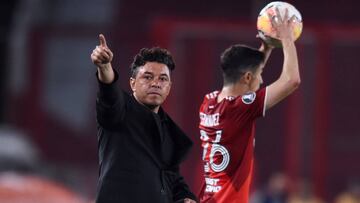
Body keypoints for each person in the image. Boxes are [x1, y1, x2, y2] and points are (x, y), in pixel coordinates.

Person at [198, 8, 301, 203]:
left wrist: (267, 47)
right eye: (259, 75)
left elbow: (247, 80)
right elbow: (292, 80)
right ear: (247, 77)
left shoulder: (208, 102)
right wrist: (287, 38)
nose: (261, 80)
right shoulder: (240, 109)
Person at [91, 34, 197, 203]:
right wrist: (104, 67)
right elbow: (109, 92)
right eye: (147, 77)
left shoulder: (169, 131)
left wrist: (186, 198)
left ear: (169, 88)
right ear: (132, 83)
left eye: (163, 79)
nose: (156, 83)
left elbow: (171, 178)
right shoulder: (120, 111)